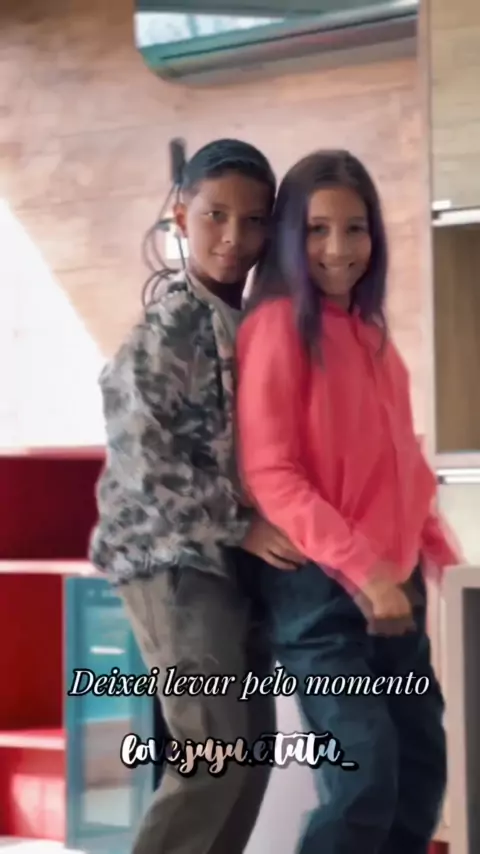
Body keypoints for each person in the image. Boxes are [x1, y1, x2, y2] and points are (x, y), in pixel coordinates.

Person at [235, 149, 462, 854]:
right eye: (317, 229)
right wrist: (366, 574)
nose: (339, 248)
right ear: (288, 237)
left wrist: (441, 558)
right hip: (323, 592)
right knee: (363, 775)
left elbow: (404, 469)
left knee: (419, 772)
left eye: (355, 228)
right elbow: (271, 472)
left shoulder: (372, 336)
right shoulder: (277, 325)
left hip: (394, 587)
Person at [89, 138, 301, 854]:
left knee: (247, 756)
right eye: (216, 215)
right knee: (213, 754)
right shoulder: (169, 326)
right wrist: (242, 525)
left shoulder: (252, 321)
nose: (234, 236)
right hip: (172, 559)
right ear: (181, 216)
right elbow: (146, 462)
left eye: (253, 220)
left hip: (230, 562)